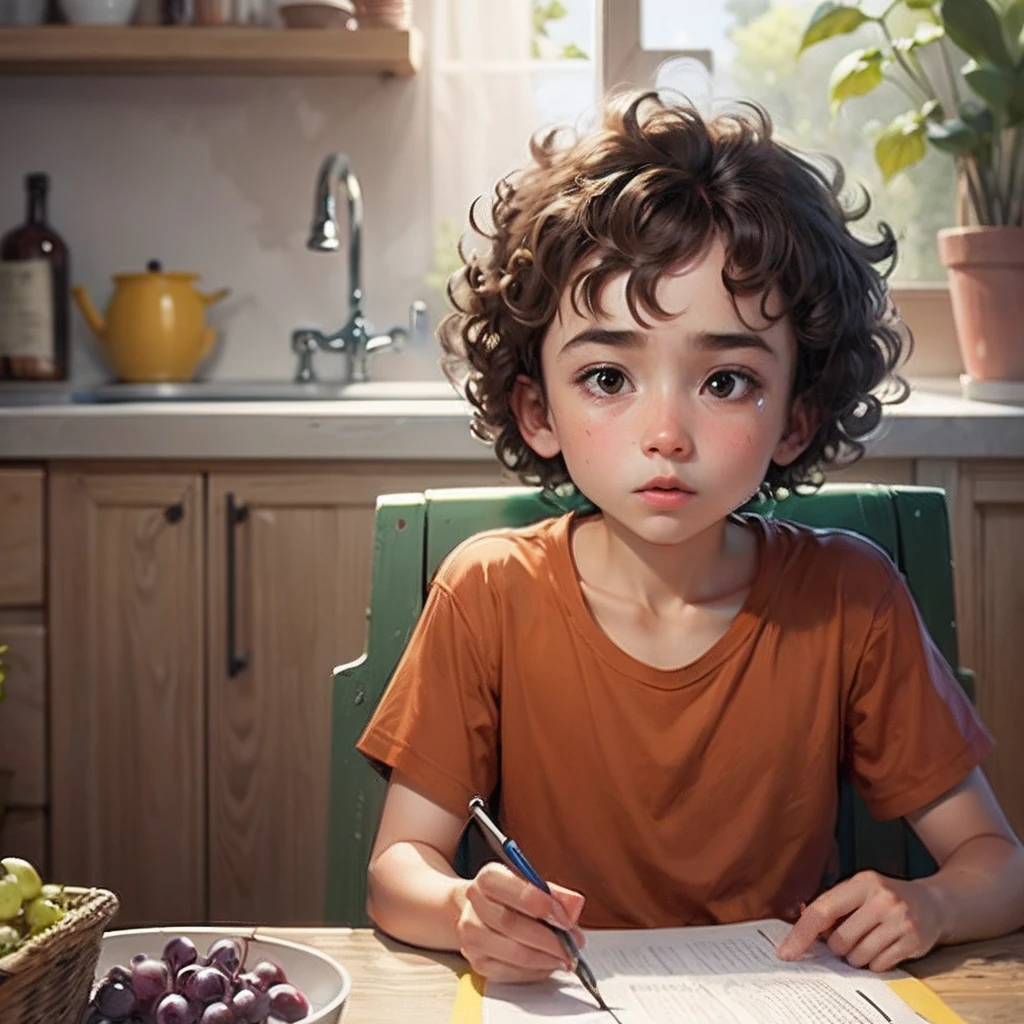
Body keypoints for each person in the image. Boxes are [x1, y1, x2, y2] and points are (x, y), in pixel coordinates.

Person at [355, 88, 1024, 984]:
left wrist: (932, 902)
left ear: (796, 416)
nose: (666, 432)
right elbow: (397, 874)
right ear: (535, 407)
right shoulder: (487, 592)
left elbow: (1000, 864)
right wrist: (465, 911)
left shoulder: (850, 598)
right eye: (606, 375)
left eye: (725, 383)